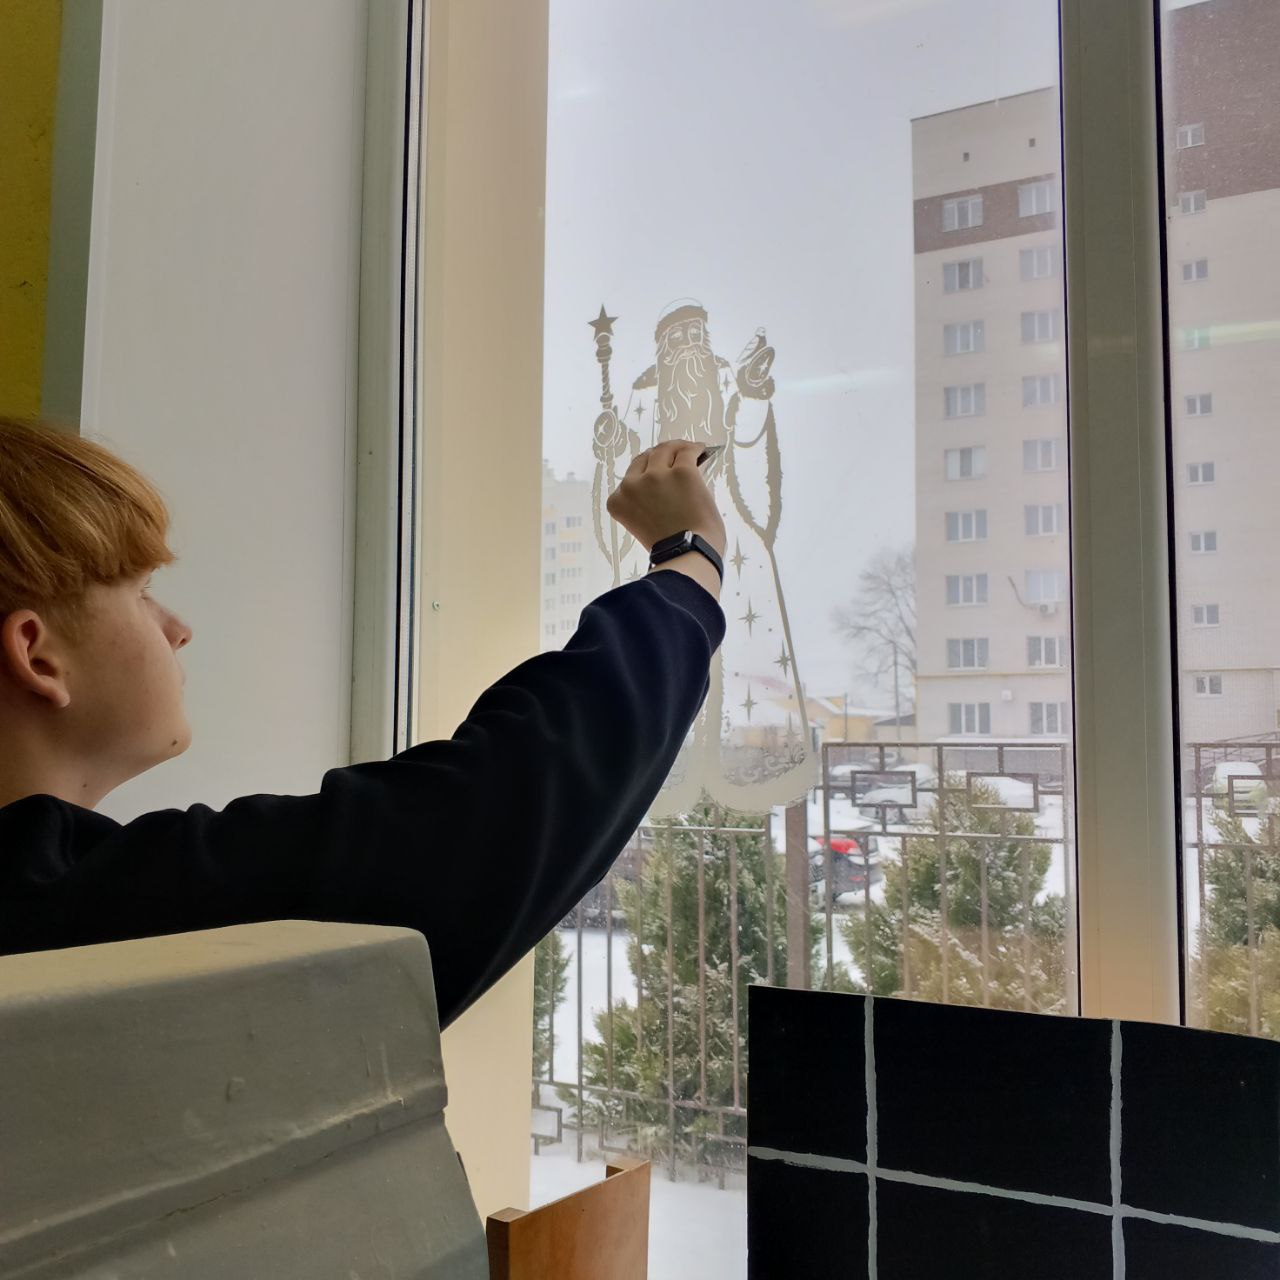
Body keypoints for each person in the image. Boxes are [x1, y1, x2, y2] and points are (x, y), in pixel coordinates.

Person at [0, 416, 726, 1028]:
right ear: (37, 655)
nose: (177, 628)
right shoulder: (66, 915)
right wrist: (687, 556)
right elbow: (490, 807)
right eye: (140, 592)